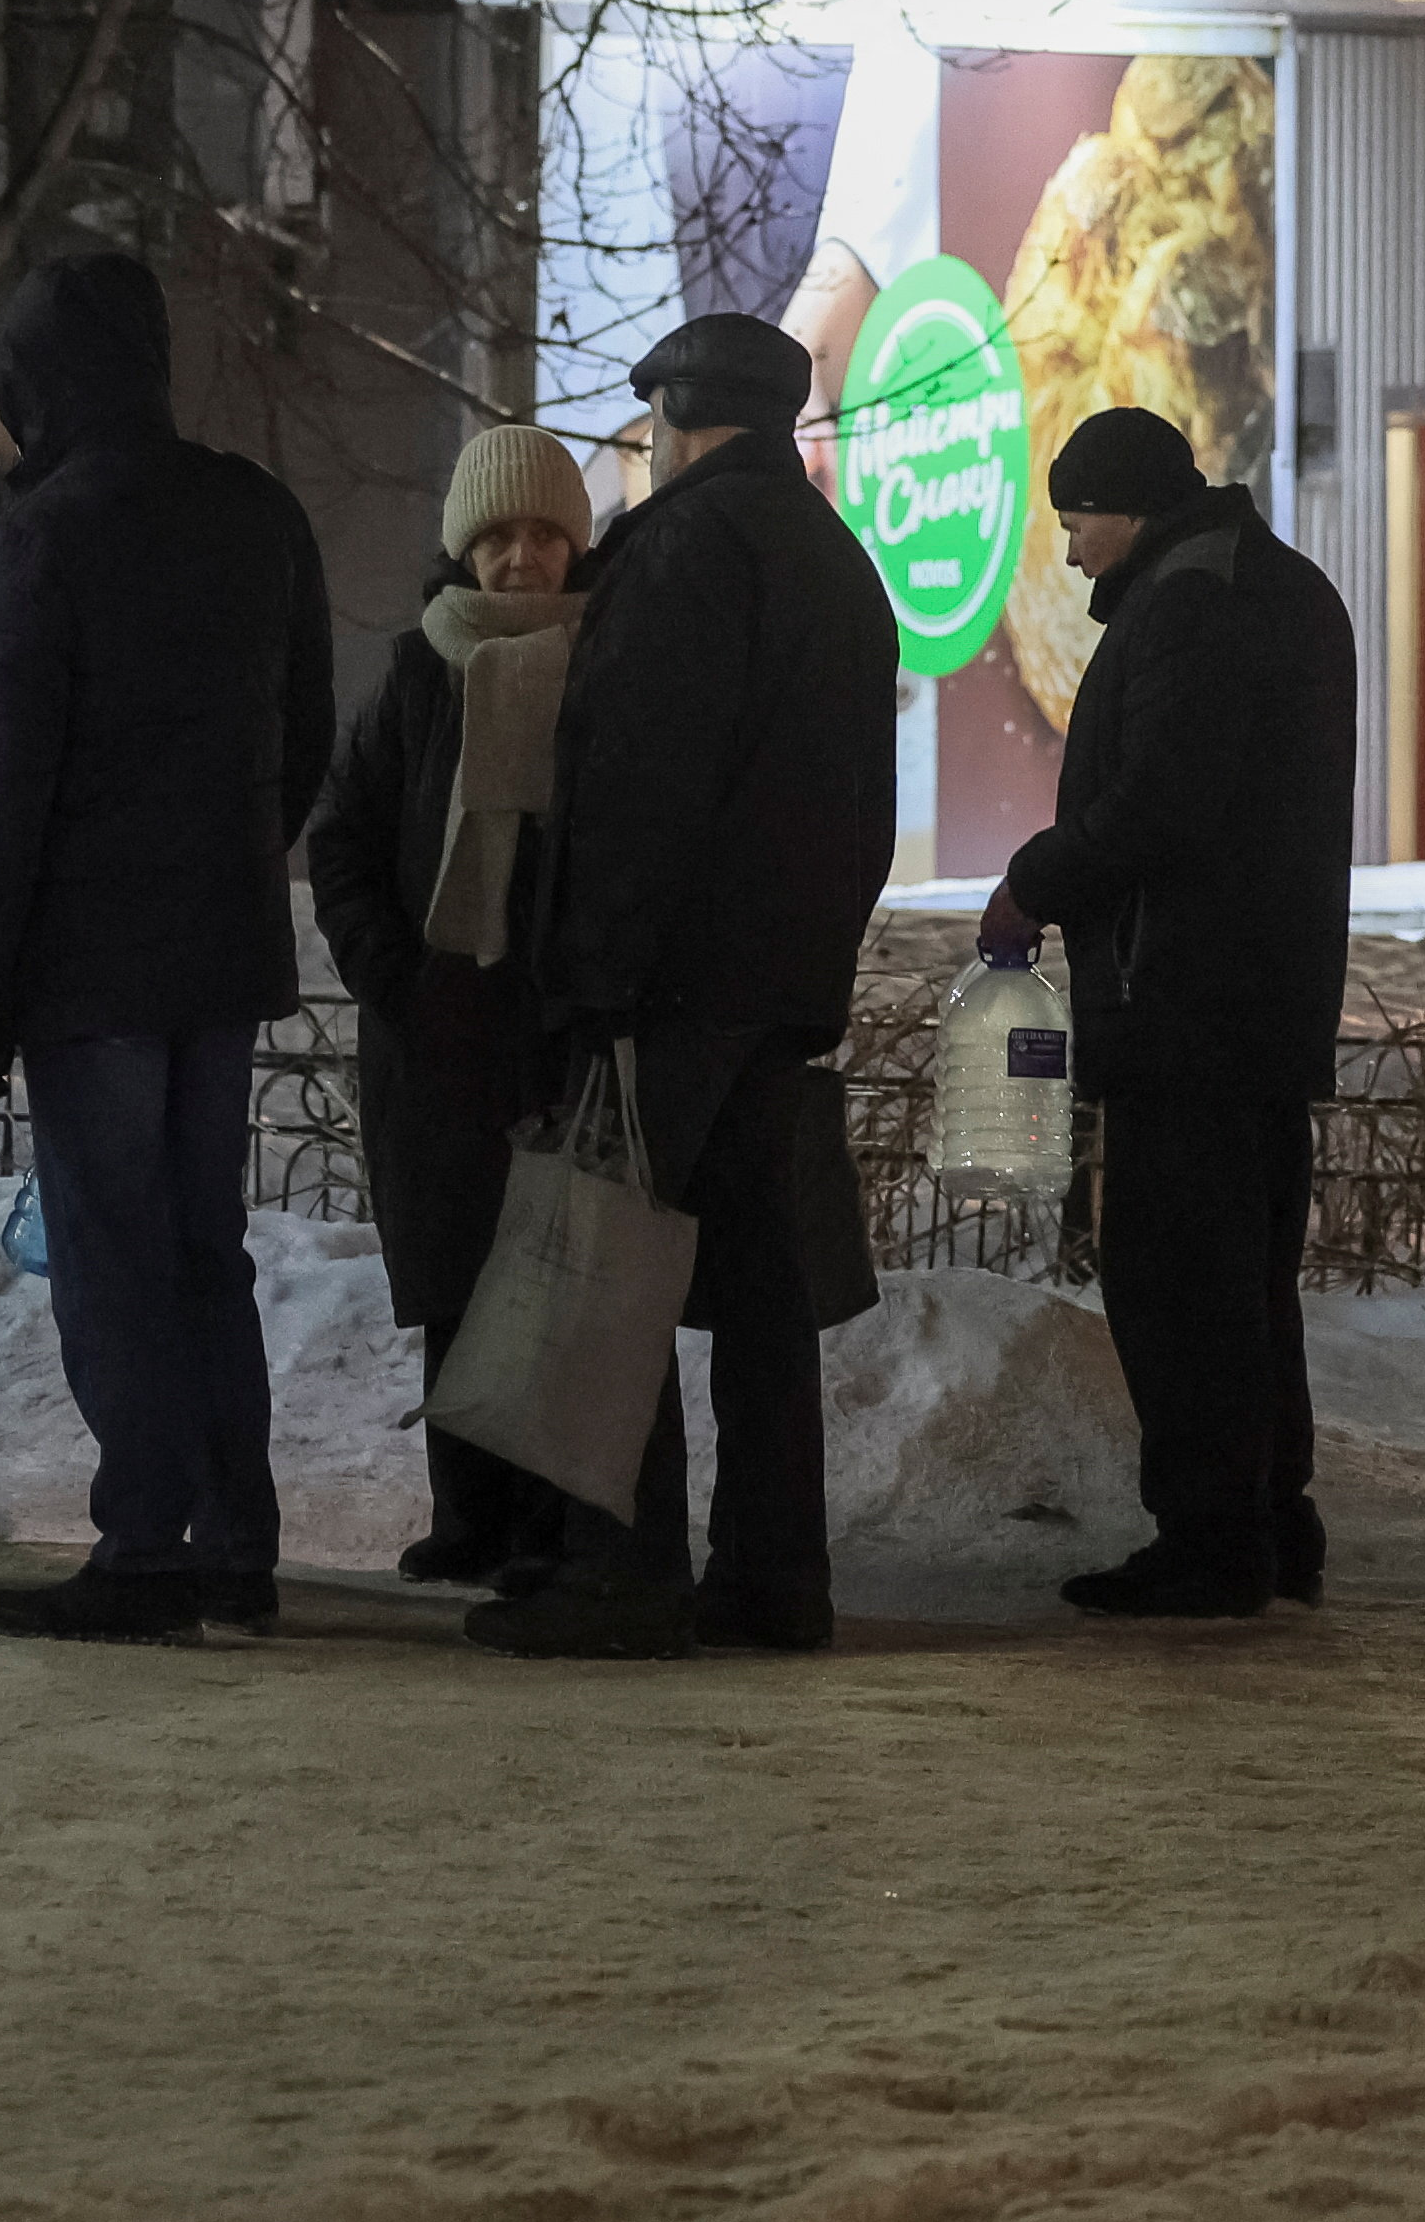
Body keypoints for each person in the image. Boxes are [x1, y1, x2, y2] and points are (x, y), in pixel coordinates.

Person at [476, 310, 897, 1661]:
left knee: (618, 1274)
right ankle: (777, 1577)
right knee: (764, 1295)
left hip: (663, 984)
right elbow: (865, 813)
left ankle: (626, 1568)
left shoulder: (680, 552)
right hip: (778, 992)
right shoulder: (839, 565)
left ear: (678, 418)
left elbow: (634, 793)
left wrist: (586, 980)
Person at [0, 252, 333, 1643]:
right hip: (217, 956)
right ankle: (234, 1538)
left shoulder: (39, 543)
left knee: (112, 1253)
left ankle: (145, 1544)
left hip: (89, 968)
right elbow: (307, 736)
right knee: (200, 1247)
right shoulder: (255, 516)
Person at [982, 404, 1359, 1621]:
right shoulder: (1279, 584)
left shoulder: (1190, 603)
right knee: (1247, 1281)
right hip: (1260, 1003)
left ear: (1129, 505)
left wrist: (1035, 880)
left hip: (1179, 1001)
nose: (1072, 547)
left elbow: (1161, 802)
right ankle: (1267, 1517)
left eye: (1077, 517)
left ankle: (1210, 1539)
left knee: (1180, 1282)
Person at [301, 422, 590, 1595]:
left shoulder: (607, 662)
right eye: (497, 538)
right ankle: (466, 1511)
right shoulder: (419, 667)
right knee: (458, 1280)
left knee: (554, 1282)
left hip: (553, 1026)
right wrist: (396, 972)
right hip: (434, 1029)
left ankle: (546, 1522)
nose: (520, 559)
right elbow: (344, 837)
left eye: (542, 535)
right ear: (463, 550)